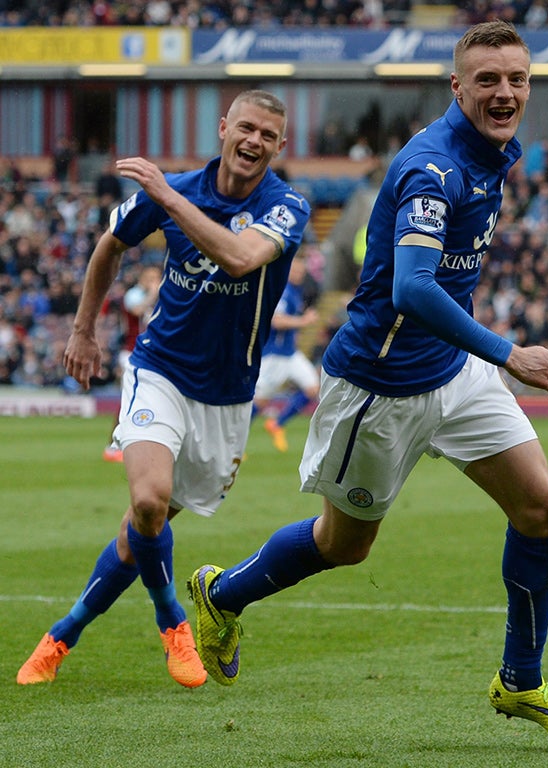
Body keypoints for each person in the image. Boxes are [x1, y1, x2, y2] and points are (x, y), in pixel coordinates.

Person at [187, 22, 548, 749]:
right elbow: (411, 288)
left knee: (542, 507)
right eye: (487, 80)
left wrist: (482, 359)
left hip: (452, 371)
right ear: (457, 86)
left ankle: (521, 681)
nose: (504, 92)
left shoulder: (493, 151)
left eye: (516, 79)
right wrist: (509, 354)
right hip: (380, 388)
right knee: (345, 546)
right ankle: (221, 594)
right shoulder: (432, 169)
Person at [16, 90, 311, 687]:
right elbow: (110, 246)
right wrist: (83, 330)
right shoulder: (174, 190)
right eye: (246, 128)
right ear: (224, 128)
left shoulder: (286, 207)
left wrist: (169, 196)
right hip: (161, 371)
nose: (254, 142)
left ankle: (62, 634)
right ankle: (173, 620)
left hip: (228, 396)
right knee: (150, 502)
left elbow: (238, 258)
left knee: (140, 527)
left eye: (268, 135)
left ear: (280, 147)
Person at [253, 249, 321, 452]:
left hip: (290, 353)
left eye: (302, 271)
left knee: (312, 388)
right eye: (296, 270)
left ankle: (276, 424)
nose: (300, 274)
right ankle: (232, 442)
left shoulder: (295, 291)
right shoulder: (283, 290)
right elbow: (276, 321)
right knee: (261, 401)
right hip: (274, 355)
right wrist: (304, 321)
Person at [103, 262, 163, 463]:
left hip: (154, 353)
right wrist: (153, 294)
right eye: (151, 278)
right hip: (131, 352)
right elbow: (137, 311)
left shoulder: (160, 296)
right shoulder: (134, 294)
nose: (155, 282)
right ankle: (113, 445)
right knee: (128, 399)